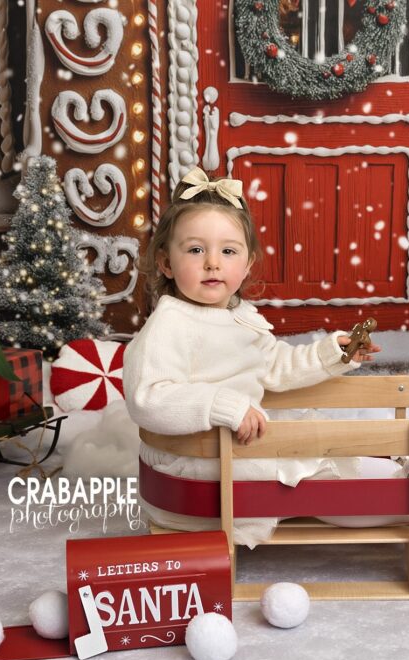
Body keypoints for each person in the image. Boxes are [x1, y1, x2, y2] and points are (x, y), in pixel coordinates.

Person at [124, 167, 383, 546]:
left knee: (322, 453)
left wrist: (333, 353)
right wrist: (223, 405)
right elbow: (149, 399)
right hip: (201, 471)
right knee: (324, 474)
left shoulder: (238, 317)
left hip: (233, 455)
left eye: (228, 251)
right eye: (196, 250)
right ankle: (386, 498)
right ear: (166, 263)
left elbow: (275, 366)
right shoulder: (169, 324)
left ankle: (385, 487)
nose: (213, 262)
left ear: (246, 266)